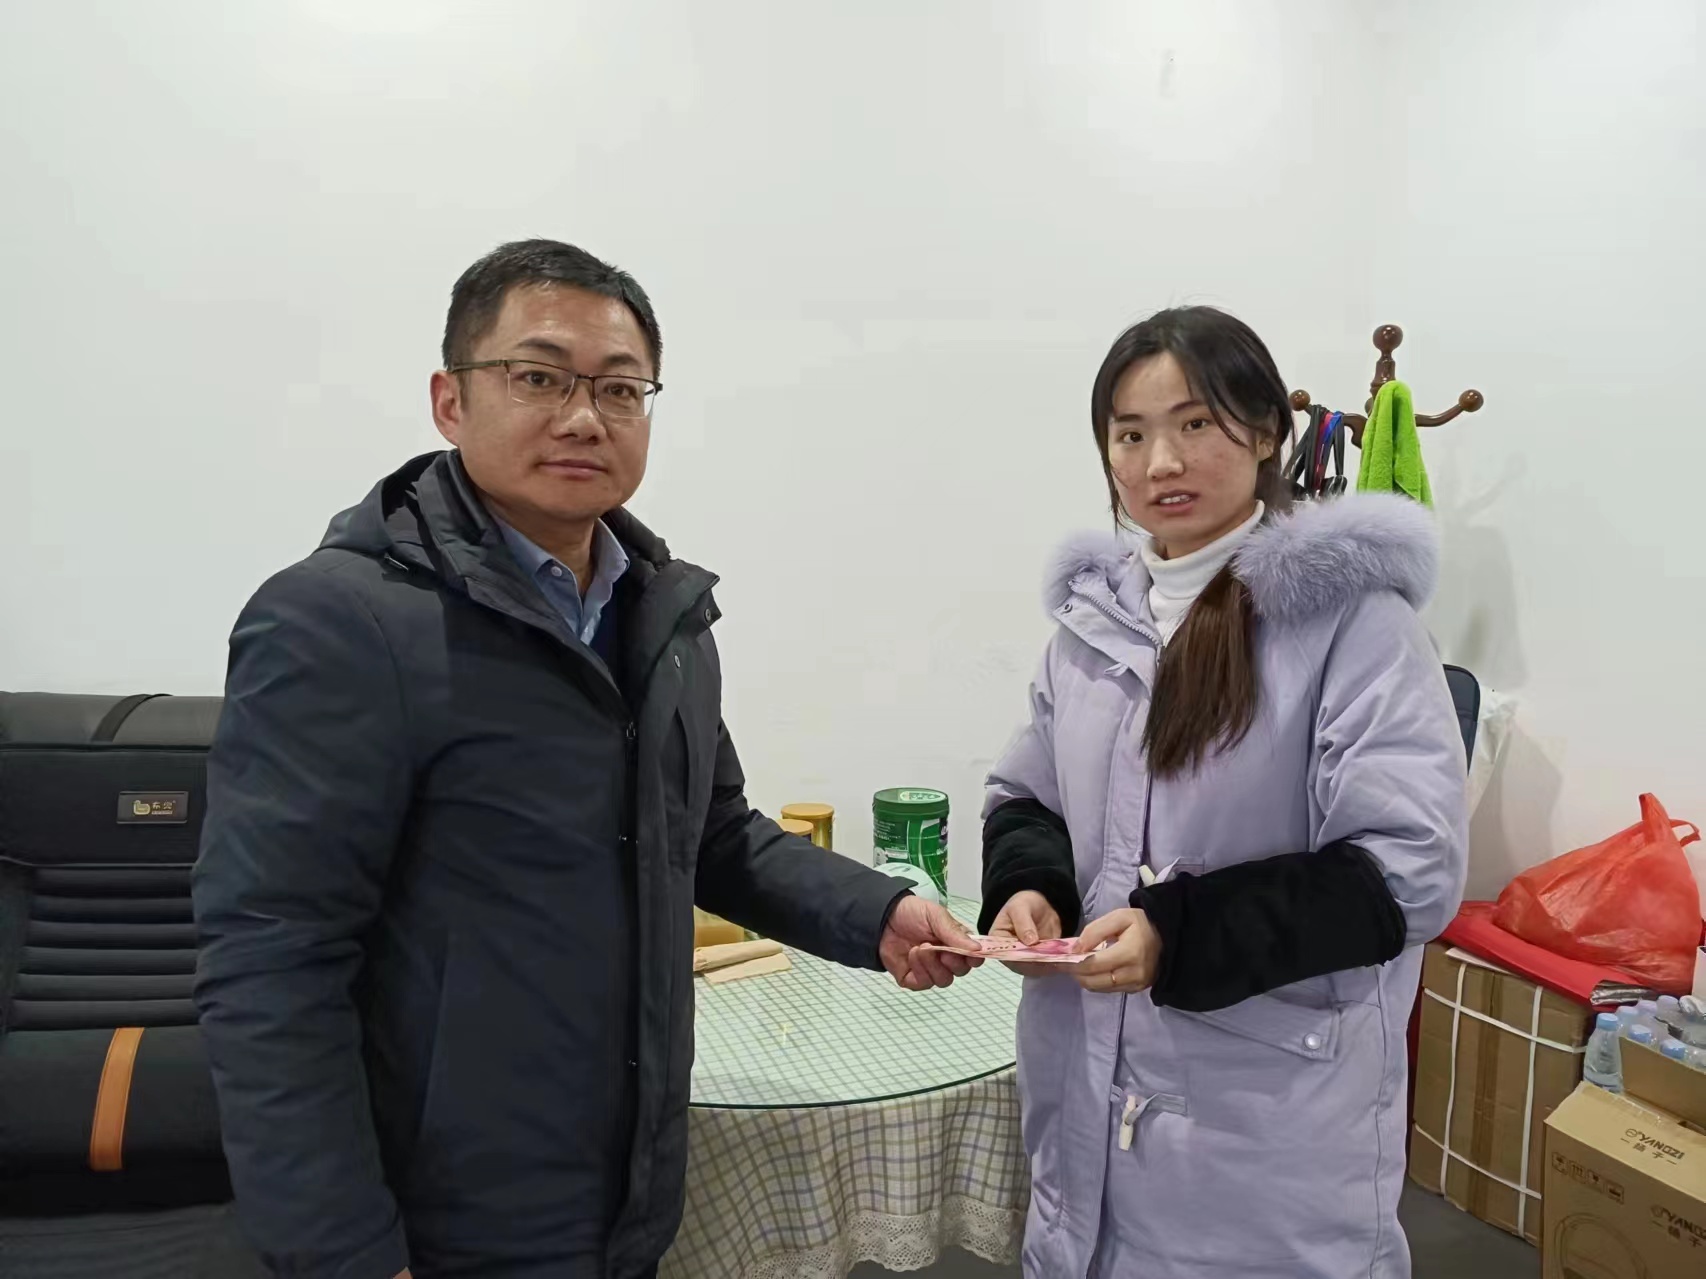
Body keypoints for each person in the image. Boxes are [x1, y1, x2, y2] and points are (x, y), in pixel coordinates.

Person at [192, 239, 977, 1279]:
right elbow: (271, 963)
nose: (582, 416)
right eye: (538, 377)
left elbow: (711, 834)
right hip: (442, 1221)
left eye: (619, 388)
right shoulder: (339, 621)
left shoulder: (660, 614)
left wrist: (877, 913)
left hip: (624, 1197)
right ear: (449, 399)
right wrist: (345, 1253)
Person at [979, 307, 1467, 1277]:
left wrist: (1179, 930)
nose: (1160, 460)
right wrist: (1031, 886)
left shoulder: (1352, 624)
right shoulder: (1090, 624)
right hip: (1083, 1097)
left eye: (1195, 423)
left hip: (1261, 1132)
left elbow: (1406, 871)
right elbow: (1027, 795)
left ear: (1265, 431)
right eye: (1129, 434)